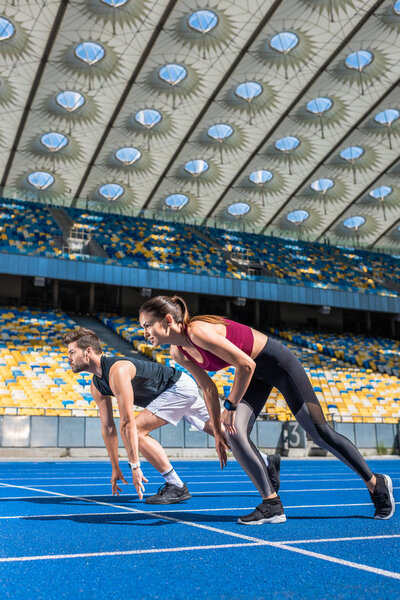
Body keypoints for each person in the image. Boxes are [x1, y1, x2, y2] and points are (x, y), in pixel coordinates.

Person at [139, 295, 395, 524]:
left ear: (167, 320)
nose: (145, 332)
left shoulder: (198, 332)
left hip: (278, 365)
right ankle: (272, 505)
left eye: (148, 325)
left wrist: (230, 405)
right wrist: (217, 430)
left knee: (319, 433)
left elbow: (246, 364)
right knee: (233, 432)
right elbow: (207, 388)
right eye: (143, 328)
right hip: (254, 375)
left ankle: (375, 483)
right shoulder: (179, 352)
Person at [62, 327, 282, 504]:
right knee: (216, 429)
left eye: (72, 352)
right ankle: (266, 461)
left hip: (177, 387)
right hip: (175, 390)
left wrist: (135, 466)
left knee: (137, 429)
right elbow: (108, 427)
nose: (68, 358)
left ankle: (175, 485)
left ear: (88, 351)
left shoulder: (117, 370)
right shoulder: (96, 385)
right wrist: (115, 467)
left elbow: (127, 422)